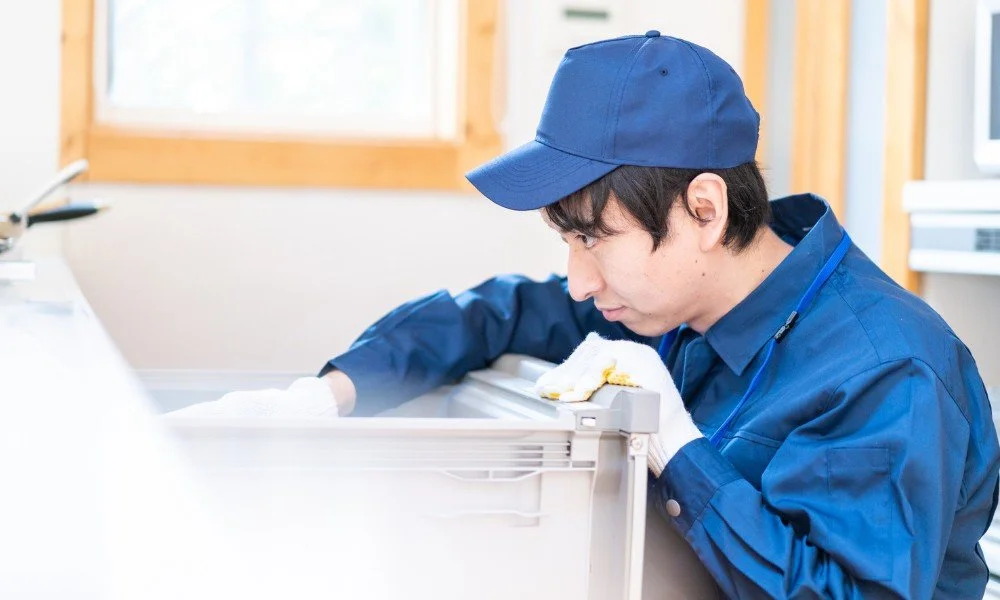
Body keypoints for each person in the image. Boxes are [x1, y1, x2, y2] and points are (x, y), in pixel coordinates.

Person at [173, 31, 1000, 598]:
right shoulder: (674, 295)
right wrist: (326, 398)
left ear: (704, 210)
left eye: (593, 240)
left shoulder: (883, 371)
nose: (576, 281)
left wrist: (675, 443)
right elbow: (496, 315)